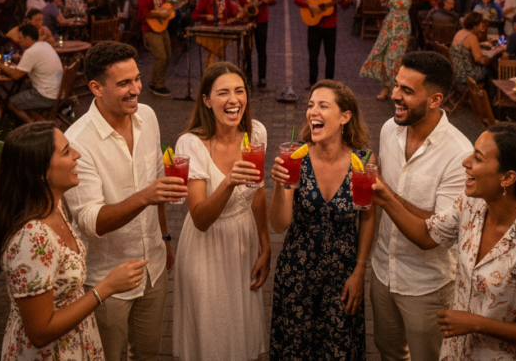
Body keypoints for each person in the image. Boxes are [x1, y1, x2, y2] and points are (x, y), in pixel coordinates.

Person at [372, 123, 516, 361]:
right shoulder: (471, 205)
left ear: (507, 178)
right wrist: (385, 198)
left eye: (478, 157)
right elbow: (426, 235)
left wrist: (477, 323)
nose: (465, 162)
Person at [63, 41, 184, 361]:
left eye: (137, 79)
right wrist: (145, 196)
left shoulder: (148, 116)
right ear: (96, 88)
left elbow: (157, 182)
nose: (136, 90)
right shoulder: (77, 141)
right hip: (106, 279)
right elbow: (91, 222)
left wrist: (165, 238)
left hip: (153, 268)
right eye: (124, 83)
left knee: (148, 353)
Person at [0, 121, 147, 361]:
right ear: (42, 172)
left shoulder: (55, 205)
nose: (77, 155)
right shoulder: (31, 238)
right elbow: (40, 333)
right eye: (66, 151)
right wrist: (107, 287)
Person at [371, 52, 473, 361]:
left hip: (426, 285)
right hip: (382, 271)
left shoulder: (459, 154)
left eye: (407, 91)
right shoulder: (390, 128)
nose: (395, 95)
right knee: (389, 352)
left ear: (435, 99)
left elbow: (434, 235)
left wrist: (386, 195)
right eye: (396, 85)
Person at [269, 81, 375, 361]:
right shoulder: (296, 157)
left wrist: (360, 271)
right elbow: (279, 225)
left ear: (345, 117)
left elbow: (368, 218)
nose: (312, 111)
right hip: (297, 274)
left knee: (338, 349)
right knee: (296, 350)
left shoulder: (362, 161)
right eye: (310, 105)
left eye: (323, 106)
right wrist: (281, 186)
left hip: (343, 276)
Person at [172, 62, 270, 360]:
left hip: (244, 244)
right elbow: (200, 218)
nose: (233, 99)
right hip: (206, 249)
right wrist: (228, 182)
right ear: (206, 100)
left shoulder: (256, 134)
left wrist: (265, 246)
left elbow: (258, 194)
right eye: (223, 92)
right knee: (212, 335)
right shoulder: (191, 144)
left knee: (239, 333)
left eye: (239, 91)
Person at [360, 0, 438, 101]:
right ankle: (385, 87)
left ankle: (397, 88)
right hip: (389, 26)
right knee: (382, 55)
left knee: (394, 59)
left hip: (402, 27)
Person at [295, 0, 354, 86]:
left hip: (330, 27)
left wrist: (349, 0)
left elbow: (344, 6)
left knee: (330, 56)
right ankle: (312, 82)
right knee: (313, 55)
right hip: (314, 26)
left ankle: (328, 83)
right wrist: (309, 4)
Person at [229, 0, 278, 88]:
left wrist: (269, 0)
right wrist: (238, 8)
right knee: (245, 50)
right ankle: (247, 76)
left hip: (261, 19)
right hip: (245, 20)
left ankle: (262, 77)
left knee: (261, 49)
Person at [0, 24, 64, 123]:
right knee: (25, 89)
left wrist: (3, 67)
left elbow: (16, 75)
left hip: (47, 96)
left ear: (28, 38)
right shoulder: (44, 45)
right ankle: (37, 119)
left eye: (20, 38)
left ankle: (33, 125)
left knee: (11, 102)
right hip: (59, 93)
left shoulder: (31, 52)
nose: (18, 41)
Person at [138, 0, 173, 97]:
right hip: (150, 29)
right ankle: (159, 85)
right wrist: (159, 13)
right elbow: (144, 13)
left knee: (167, 56)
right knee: (161, 57)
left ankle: (154, 82)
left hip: (161, 28)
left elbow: (164, 8)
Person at [451, 12, 504, 90]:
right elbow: (481, 60)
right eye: (481, 24)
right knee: (490, 69)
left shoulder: (460, 32)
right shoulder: (472, 37)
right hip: (467, 76)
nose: (481, 28)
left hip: (457, 73)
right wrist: (496, 51)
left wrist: (481, 44)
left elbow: (464, 46)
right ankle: (488, 97)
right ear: (475, 26)